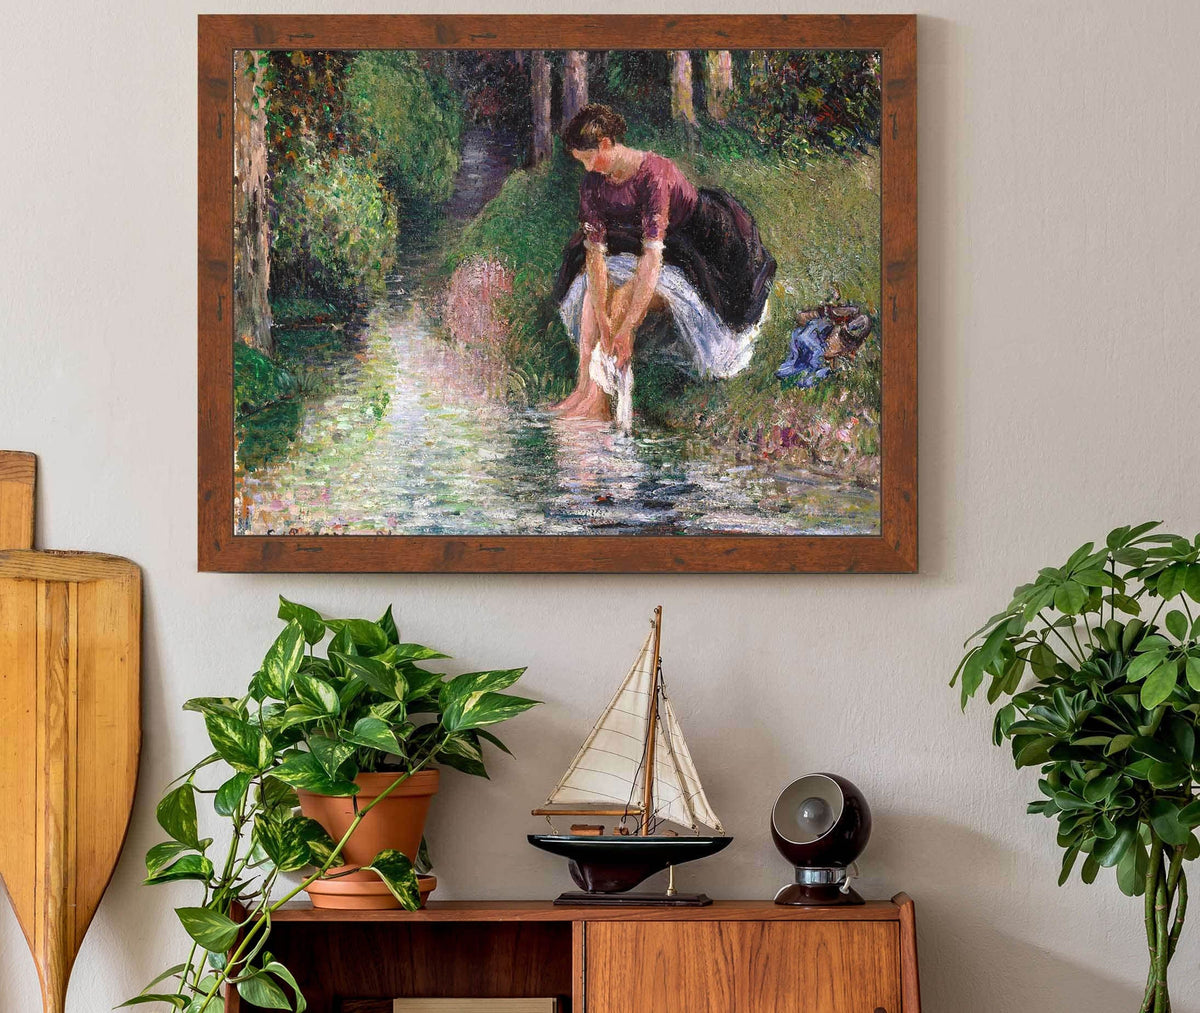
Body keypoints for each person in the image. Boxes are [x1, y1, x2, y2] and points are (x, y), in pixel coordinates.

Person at [551, 104, 777, 423]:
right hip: (628, 249)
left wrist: (626, 329)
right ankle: (586, 390)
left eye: (589, 158)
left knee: (625, 295)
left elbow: (653, 257)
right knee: (592, 293)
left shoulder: (655, 173)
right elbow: (595, 259)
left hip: (688, 254)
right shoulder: (593, 185)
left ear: (604, 143)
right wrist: (603, 324)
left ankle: (602, 402)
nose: (588, 168)